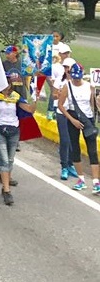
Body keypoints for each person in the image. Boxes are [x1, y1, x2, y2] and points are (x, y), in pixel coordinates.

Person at [0, 70, 36, 205]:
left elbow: (30, 110)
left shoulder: (16, 97)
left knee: (10, 159)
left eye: (8, 82)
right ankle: (7, 191)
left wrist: (35, 98)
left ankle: (5, 184)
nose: (6, 85)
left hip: (14, 131)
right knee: (3, 160)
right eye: (3, 82)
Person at [57, 63, 100, 194]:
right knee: (75, 148)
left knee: (92, 150)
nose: (76, 80)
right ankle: (81, 179)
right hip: (73, 117)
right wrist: (72, 119)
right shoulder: (67, 87)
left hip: (87, 118)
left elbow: (93, 104)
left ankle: (96, 181)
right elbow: (60, 105)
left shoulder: (89, 86)